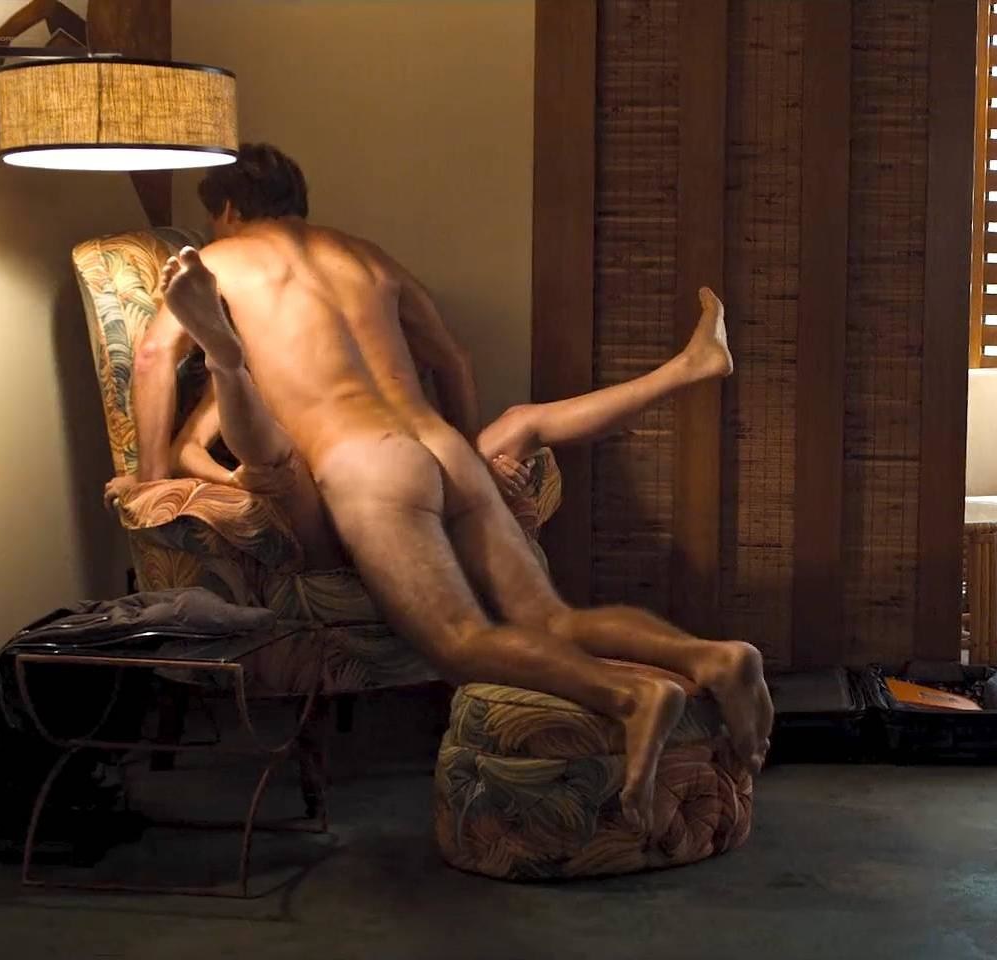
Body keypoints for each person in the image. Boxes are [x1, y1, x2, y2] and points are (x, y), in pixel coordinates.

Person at [123, 143, 771, 828]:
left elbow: (152, 355)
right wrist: (469, 460)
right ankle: (712, 656)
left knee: (459, 641)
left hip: (365, 462)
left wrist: (150, 479)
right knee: (552, 617)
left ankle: (630, 696)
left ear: (227, 209)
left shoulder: (219, 261)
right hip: (443, 446)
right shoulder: (366, 257)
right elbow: (452, 360)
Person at [113, 286, 734, 569]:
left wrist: (472, 467)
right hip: (333, 509)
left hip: (398, 480)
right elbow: (188, 450)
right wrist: (238, 481)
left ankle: (689, 367)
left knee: (522, 422)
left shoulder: (322, 363)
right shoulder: (237, 375)